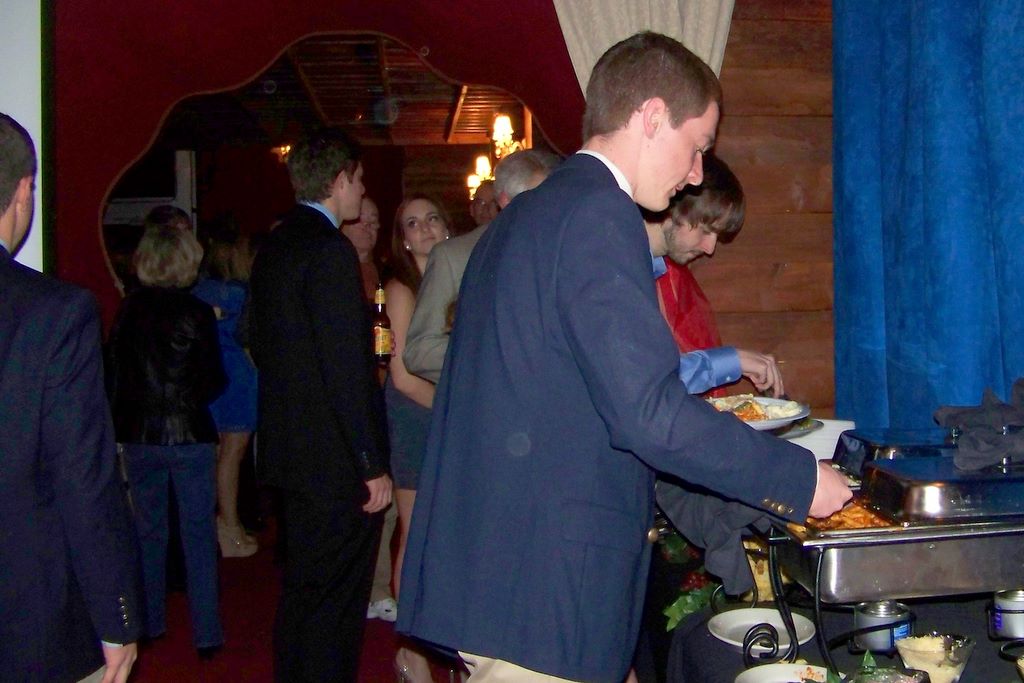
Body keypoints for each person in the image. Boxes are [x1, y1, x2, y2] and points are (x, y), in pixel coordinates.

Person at [396, 33, 851, 683]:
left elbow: (581, 406)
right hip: (539, 592)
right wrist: (798, 478)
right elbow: (648, 411)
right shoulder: (597, 213)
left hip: (505, 578)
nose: (697, 172)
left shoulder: (530, 214)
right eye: (697, 146)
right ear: (652, 116)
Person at [0, 113, 143, 683]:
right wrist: (116, 617)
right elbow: (83, 480)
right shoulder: (51, 314)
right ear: (23, 191)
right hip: (23, 619)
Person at [249, 126, 392, 682]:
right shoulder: (330, 250)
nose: (362, 189)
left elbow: (254, 338)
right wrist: (370, 463)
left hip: (288, 449)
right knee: (336, 601)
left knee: (303, 592)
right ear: (338, 181)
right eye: (358, 179)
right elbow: (345, 371)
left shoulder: (276, 244)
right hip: (332, 459)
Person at [107, 224, 227, 658]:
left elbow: (114, 375)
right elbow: (214, 378)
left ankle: (151, 622)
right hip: (189, 433)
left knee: (148, 532)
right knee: (198, 533)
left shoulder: (128, 311)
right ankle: (206, 633)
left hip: (140, 434)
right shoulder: (196, 312)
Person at [403, 149, 561, 383]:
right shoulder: (455, 255)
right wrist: (494, 357)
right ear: (506, 201)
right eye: (538, 200)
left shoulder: (562, 251)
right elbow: (420, 351)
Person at [384, 194, 452, 682]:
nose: (425, 228)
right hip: (417, 413)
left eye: (431, 218)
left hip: (450, 410)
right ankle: (411, 650)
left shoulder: (461, 277)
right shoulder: (401, 287)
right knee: (414, 531)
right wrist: (459, 409)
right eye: (413, 223)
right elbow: (404, 376)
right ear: (403, 238)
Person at [649, 153, 784, 399]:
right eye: (705, 231)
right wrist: (731, 361)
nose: (710, 248)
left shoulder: (655, 267)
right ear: (672, 209)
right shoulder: (622, 268)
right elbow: (648, 382)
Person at [341, 194, 401, 624]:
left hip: (380, 390)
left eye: (376, 221)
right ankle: (367, 587)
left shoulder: (379, 273)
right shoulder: (340, 271)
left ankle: (375, 587)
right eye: (363, 220)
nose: (370, 228)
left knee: (387, 500)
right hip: (355, 397)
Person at [192, 231, 260, 558]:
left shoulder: (198, 289)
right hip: (238, 376)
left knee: (216, 453)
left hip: (209, 375)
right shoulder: (240, 293)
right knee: (233, 454)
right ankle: (229, 526)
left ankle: (215, 524)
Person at [341, 195, 382, 301]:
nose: (367, 225)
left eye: (373, 221)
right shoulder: (332, 270)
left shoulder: (388, 273)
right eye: (359, 219)